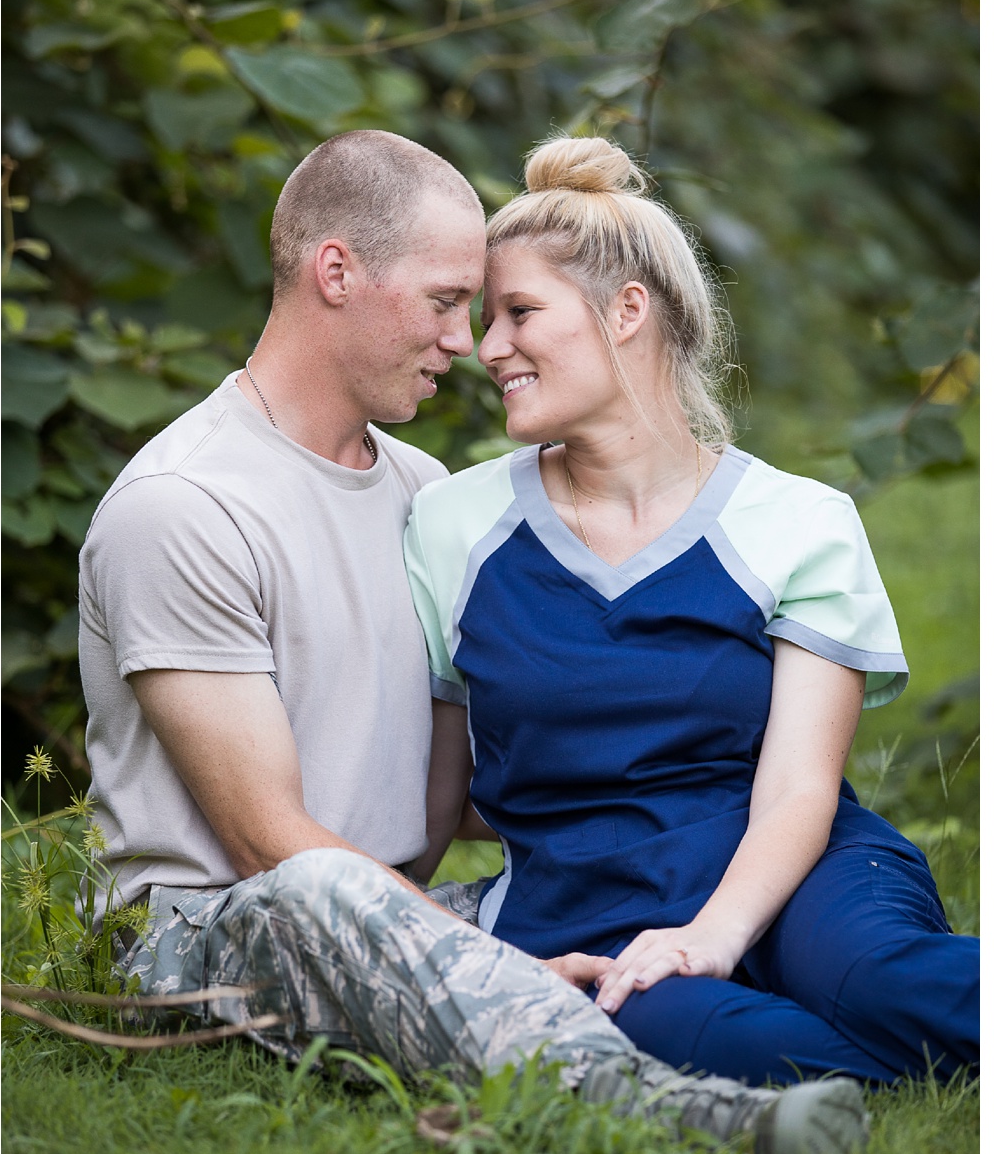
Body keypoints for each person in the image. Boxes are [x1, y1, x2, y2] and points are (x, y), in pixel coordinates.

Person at [79, 129, 869, 1154]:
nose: (469, 341)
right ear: (335, 273)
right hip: (219, 929)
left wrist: (699, 823)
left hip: (406, 902)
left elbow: (471, 775)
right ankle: (689, 1118)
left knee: (654, 896)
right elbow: (263, 841)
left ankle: (849, 1013)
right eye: (448, 300)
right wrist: (481, 960)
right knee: (325, 893)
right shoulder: (184, 506)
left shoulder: (418, 492)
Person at [406, 135, 978, 1086]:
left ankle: (848, 997)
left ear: (626, 311)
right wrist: (405, 947)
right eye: (482, 317)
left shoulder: (798, 521)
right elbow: (434, 799)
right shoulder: (451, 523)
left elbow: (801, 788)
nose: (487, 346)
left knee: (877, 981)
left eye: (518, 312)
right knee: (719, 1039)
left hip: (801, 872)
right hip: (591, 909)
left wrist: (713, 935)